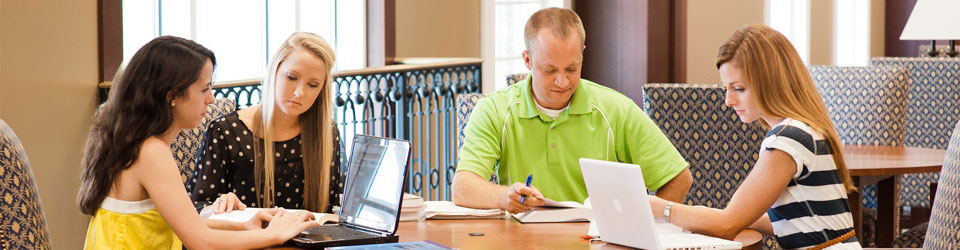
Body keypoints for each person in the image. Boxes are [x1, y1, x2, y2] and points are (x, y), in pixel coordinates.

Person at [78, 36, 318, 249]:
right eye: (205, 89)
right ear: (172, 96)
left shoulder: (134, 143)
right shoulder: (152, 152)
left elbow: (182, 224)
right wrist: (275, 235)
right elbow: (200, 241)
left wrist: (244, 226)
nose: (211, 99)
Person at [453, 7, 692, 214]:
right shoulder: (494, 110)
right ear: (527, 60)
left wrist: (647, 228)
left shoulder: (616, 109)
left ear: (582, 55)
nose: (562, 82)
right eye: (549, 70)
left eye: (571, 69)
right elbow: (463, 187)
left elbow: (678, 177)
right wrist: (505, 197)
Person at [646, 24, 862, 249]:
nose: (729, 101)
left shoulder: (787, 139)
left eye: (738, 89)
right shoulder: (805, 128)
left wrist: (658, 207)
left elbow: (726, 226)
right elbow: (797, 220)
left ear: (770, 82)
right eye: (726, 89)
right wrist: (715, 217)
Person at [190, 32, 343, 214]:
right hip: (245, 242)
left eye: (313, 85)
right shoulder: (225, 131)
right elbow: (197, 208)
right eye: (291, 77)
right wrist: (220, 205)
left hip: (307, 240)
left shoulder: (327, 132)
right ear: (274, 72)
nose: (299, 92)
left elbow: (334, 208)